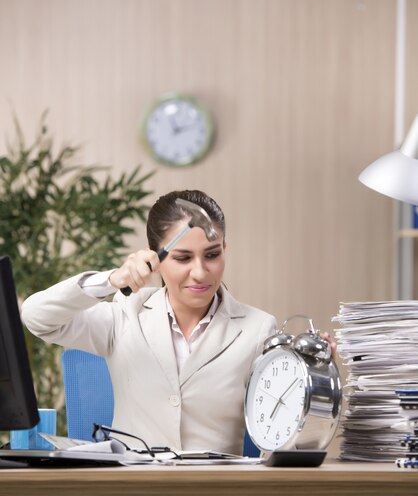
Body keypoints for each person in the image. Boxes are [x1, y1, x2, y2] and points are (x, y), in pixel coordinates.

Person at [22, 189, 334, 455]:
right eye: (183, 258)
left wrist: (313, 379)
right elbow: (37, 317)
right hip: (130, 492)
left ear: (225, 248)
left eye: (212, 255)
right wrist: (110, 280)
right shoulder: (125, 314)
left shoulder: (258, 328)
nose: (200, 273)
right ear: (155, 260)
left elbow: (285, 432)